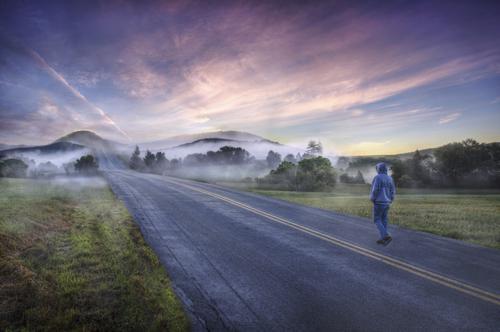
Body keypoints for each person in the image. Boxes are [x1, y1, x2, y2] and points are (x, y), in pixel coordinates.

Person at [370, 162, 395, 245]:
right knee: (384, 219)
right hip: (387, 202)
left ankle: (385, 235)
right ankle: (383, 238)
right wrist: (391, 199)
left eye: (377, 168)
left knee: (377, 219)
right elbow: (393, 191)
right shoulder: (390, 178)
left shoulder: (377, 178)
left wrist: (372, 198)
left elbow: (375, 190)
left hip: (379, 202)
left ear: (379, 169)